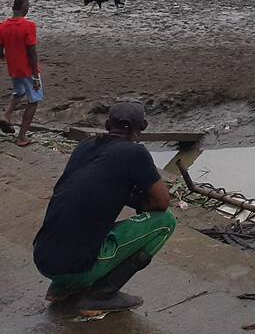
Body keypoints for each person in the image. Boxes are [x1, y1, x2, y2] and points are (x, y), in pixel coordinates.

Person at [33, 100, 175, 316]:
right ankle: (102, 295)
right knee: (166, 222)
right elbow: (162, 202)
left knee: (80, 221)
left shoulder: (84, 146)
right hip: (75, 268)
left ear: (108, 124)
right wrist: (135, 198)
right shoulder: (134, 153)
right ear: (142, 127)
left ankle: (61, 288)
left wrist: (121, 191)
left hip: (43, 258)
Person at [0, 0, 41, 147]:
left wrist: (10, 58)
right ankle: (22, 136)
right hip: (27, 70)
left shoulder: (3, 26)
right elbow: (32, 53)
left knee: (19, 91)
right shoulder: (28, 26)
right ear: (25, 8)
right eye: (28, 6)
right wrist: (36, 76)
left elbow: (0, 51)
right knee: (34, 100)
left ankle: (6, 114)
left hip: (14, 69)